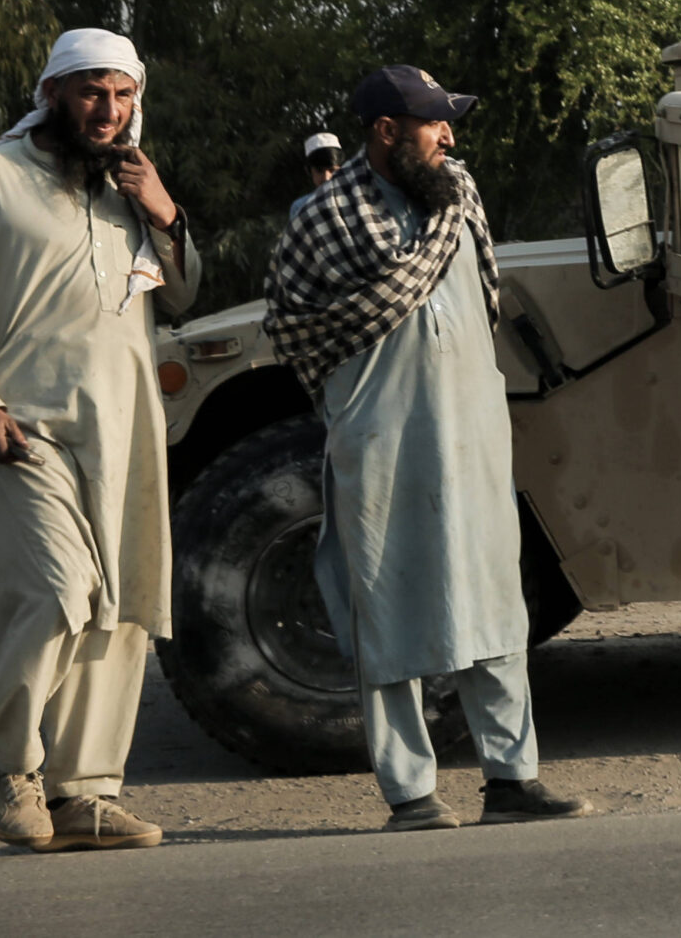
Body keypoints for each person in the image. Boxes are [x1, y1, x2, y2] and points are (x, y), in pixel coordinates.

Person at [263, 65, 586, 833]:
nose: (448, 135)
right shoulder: (323, 220)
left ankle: (511, 779)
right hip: (382, 444)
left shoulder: (458, 194)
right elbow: (295, 330)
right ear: (386, 131)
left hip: (471, 435)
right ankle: (411, 794)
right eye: (434, 121)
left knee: (495, 604)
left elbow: (485, 297)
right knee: (387, 610)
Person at [0, 28, 199, 852]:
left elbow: (181, 294)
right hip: (21, 429)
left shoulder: (129, 187)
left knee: (120, 609)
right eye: (91, 92)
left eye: (123, 94)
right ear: (51, 94)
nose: (109, 110)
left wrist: (165, 210)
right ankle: (3, 762)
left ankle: (84, 792)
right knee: (59, 590)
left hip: (122, 429)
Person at [290, 131, 343, 220]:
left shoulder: (355, 198)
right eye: (319, 171)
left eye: (332, 170)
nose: (326, 177)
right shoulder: (300, 207)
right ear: (309, 171)